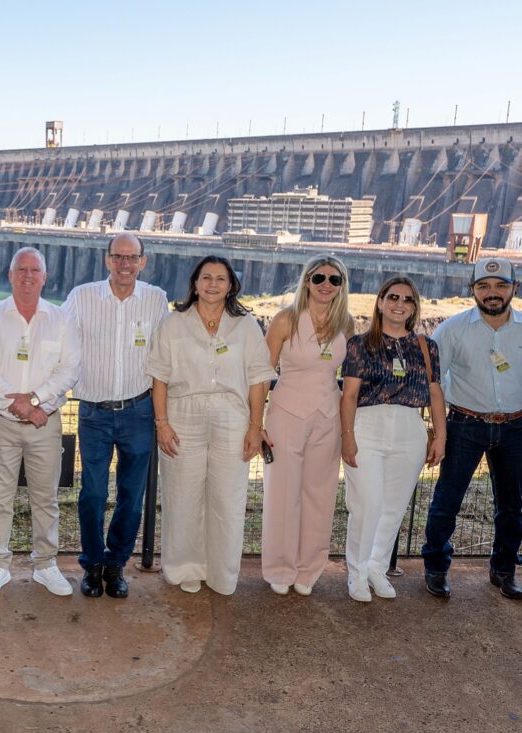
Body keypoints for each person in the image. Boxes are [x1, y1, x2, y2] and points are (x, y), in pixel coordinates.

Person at [146, 255, 274, 596]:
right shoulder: (173, 323)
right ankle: (184, 568)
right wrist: (162, 423)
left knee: (227, 496)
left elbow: (258, 379)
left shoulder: (245, 325)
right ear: (195, 283)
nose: (213, 284)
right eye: (206, 277)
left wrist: (254, 426)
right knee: (182, 494)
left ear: (230, 284)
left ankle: (222, 573)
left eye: (220, 278)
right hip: (182, 413)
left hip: (232, 416)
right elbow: (159, 377)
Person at [0, 247, 81, 598]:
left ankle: (45, 565)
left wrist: (34, 401)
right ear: (10, 275)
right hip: (2, 423)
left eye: (35, 270)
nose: (28, 276)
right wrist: (21, 407)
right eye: (22, 270)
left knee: (45, 498)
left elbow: (69, 370)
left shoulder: (62, 319)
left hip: (44, 423)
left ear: (45, 277)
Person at [63, 233, 169, 599]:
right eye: (118, 257)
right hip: (93, 411)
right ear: (107, 260)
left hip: (138, 410)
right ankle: (92, 565)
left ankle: (116, 563)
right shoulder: (81, 297)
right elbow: (60, 346)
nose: (125, 264)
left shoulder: (156, 300)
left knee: (131, 494)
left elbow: (164, 356)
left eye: (132, 257)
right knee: (92, 493)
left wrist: (162, 415)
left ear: (144, 261)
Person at [421, 258, 522, 599]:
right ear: (473, 290)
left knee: (513, 505)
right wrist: (438, 431)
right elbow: (432, 381)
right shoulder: (451, 330)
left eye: (500, 285)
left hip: (515, 427)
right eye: (483, 286)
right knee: (447, 500)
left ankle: (503, 570)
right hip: (464, 424)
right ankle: (435, 568)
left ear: (514, 288)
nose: (492, 293)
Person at [340, 274, 446, 602]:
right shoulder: (360, 343)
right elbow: (348, 396)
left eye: (408, 299)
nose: (400, 304)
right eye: (394, 297)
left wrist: (440, 435)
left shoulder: (426, 347)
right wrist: (347, 437)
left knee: (393, 506)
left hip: (409, 428)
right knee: (367, 503)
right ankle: (356, 572)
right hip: (367, 426)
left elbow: (435, 392)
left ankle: (376, 566)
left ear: (414, 307)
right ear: (381, 302)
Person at [261, 256, 354, 596]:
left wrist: (348, 431)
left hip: (328, 416)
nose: (326, 284)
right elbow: (261, 375)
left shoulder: (347, 324)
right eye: (319, 278)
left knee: (320, 494)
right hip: (286, 414)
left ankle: (308, 569)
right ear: (307, 281)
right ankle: (279, 568)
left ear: (342, 285)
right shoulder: (285, 320)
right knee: (283, 494)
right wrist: (255, 424)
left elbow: (350, 381)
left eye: (335, 279)